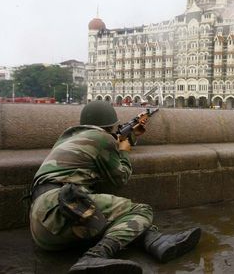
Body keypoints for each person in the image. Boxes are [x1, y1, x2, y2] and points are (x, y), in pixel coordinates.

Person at [29, 101, 201, 274]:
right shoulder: (102, 138)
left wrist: (131, 136)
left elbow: (102, 151)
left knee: (116, 220)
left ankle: (157, 242)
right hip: (63, 209)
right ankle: (95, 256)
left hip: (45, 225)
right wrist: (124, 150)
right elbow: (121, 177)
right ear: (111, 125)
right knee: (141, 211)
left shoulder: (69, 139)